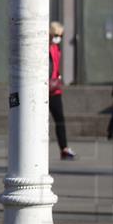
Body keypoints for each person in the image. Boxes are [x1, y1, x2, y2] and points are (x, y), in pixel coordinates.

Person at [48, 21, 77, 160]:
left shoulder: (56, 48)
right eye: (56, 35)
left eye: (61, 35)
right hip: (43, 88)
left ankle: (64, 148)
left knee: (60, 119)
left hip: (54, 89)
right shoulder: (45, 47)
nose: (58, 37)